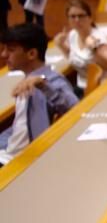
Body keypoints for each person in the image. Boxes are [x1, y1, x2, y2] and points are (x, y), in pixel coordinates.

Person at [0, 23, 79, 166]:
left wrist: (44, 85)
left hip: (23, 159)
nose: (4, 55)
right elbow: (19, 127)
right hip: (8, 152)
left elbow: (76, 110)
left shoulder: (50, 81)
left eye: (10, 50)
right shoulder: (26, 81)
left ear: (31, 54)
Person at [53, 0, 107, 94]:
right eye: (72, 16)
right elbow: (74, 58)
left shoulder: (98, 38)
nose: (77, 20)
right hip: (83, 85)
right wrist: (61, 45)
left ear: (90, 18)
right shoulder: (73, 35)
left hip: (103, 86)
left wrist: (94, 49)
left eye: (81, 16)